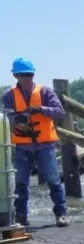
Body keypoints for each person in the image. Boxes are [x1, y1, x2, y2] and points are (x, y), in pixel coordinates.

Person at [2, 57, 69, 228]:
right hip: (22, 146)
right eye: (22, 75)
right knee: (21, 183)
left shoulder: (45, 92)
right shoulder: (9, 95)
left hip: (45, 145)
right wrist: (17, 119)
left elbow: (59, 111)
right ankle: (21, 216)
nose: (26, 78)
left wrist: (40, 109)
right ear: (16, 76)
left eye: (29, 75)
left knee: (54, 181)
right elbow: (7, 116)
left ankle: (61, 213)